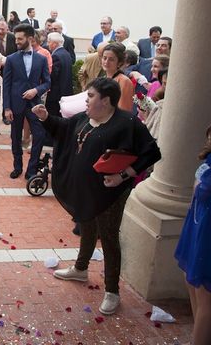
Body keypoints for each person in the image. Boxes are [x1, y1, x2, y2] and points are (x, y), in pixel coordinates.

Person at [32, 78, 161, 315]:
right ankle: (81, 269)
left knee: (109, 238)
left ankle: (112, 291)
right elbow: (64, 128)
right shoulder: (84, 117)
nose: (86, 100)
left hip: (109, 193)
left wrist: (123, 176)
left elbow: (152, 152)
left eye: (90, 96)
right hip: (86, 191)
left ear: (106, 100)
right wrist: (45, 117)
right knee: (86, 225)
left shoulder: (127, 123)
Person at [174, 125, 211, 345]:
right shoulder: (208, 161)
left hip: (208, 233)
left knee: (205, 294)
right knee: (192, 284)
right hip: (197, 226)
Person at [3, 24, 51, 179]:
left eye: (20, 39)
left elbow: (47, 82)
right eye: (16, 38)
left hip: (34, 105)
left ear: (30, 39)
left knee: (40, 135)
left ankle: (31, 169)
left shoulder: (42, 59)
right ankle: (17, 167)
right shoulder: (11, 59)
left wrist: (36, 90)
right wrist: (7, 108)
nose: (16, 41)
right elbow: (7, 84)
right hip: (15, 104)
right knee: (15, 137)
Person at [46, 32, 74, 117]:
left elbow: (53, 76)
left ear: (54, 43)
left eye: (49, 41)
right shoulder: (66, 54)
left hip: (56, 95)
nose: (47, 44)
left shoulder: (56, 56)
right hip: (65, 92)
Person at [101, 43, 134, 112]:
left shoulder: (124, 81)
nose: (106, 62)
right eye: (104, 58)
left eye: (111, 59)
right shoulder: (103, 78)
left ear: (119, 62)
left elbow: (124, 110)